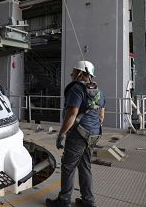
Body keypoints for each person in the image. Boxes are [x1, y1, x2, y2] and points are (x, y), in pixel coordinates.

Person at [46, 60, 105, 207]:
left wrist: (62, 134)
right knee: (85, 167)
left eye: (74, 71)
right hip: (94, 134)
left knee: (68, 167)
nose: (72, 74)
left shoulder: (77, 89)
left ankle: (64, 201)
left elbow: (72, 114)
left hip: (79, 135)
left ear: (80, 73)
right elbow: (101, 116)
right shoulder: (99, 91)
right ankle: (88, 202)